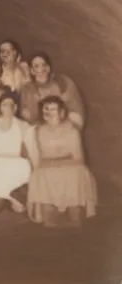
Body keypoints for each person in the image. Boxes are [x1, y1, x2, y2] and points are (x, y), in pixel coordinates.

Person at [25, 96, 97, 228]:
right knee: (42, 174)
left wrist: (61, 162)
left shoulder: (72, 131)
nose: (48, 113)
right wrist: (51, 163)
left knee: (76, 172)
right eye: (46, 109)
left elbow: (79, 158)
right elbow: (42, 156)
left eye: (53, 109)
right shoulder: (40, 131)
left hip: (70, 165)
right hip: (48, 166)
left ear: (62, 112)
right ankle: (50, 215)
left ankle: (74, 213)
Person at [20, 52, 85, 129]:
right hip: (40, 129)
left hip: (63, 127)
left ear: (48, 68)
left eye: (44, 65)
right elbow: (28, 117)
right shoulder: (27, 90)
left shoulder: (62, 83)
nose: (42, 69)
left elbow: (74, 108)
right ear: (32, 71)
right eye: (37, 66)